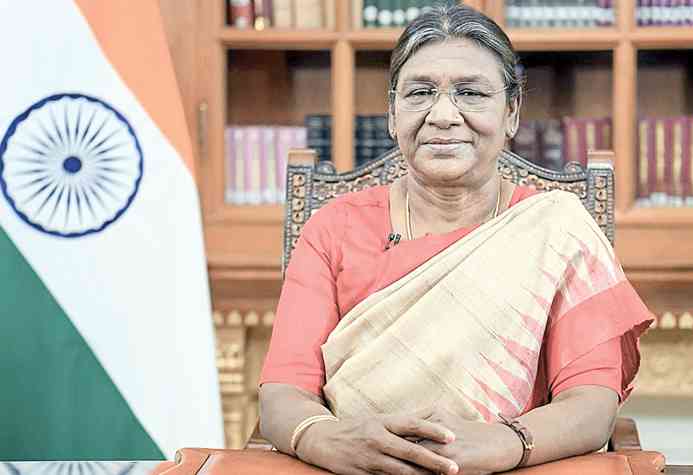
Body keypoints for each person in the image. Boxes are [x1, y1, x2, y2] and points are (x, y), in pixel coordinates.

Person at [258, 5, 654, 474]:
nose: (443, 116)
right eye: (420, 93)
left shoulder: (557, 230)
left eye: (471, 93)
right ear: (392, 114)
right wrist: (329, 440)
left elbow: (590, 403)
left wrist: (504, 442)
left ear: (511, 113)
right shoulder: (334, 229)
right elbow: (283, 393)